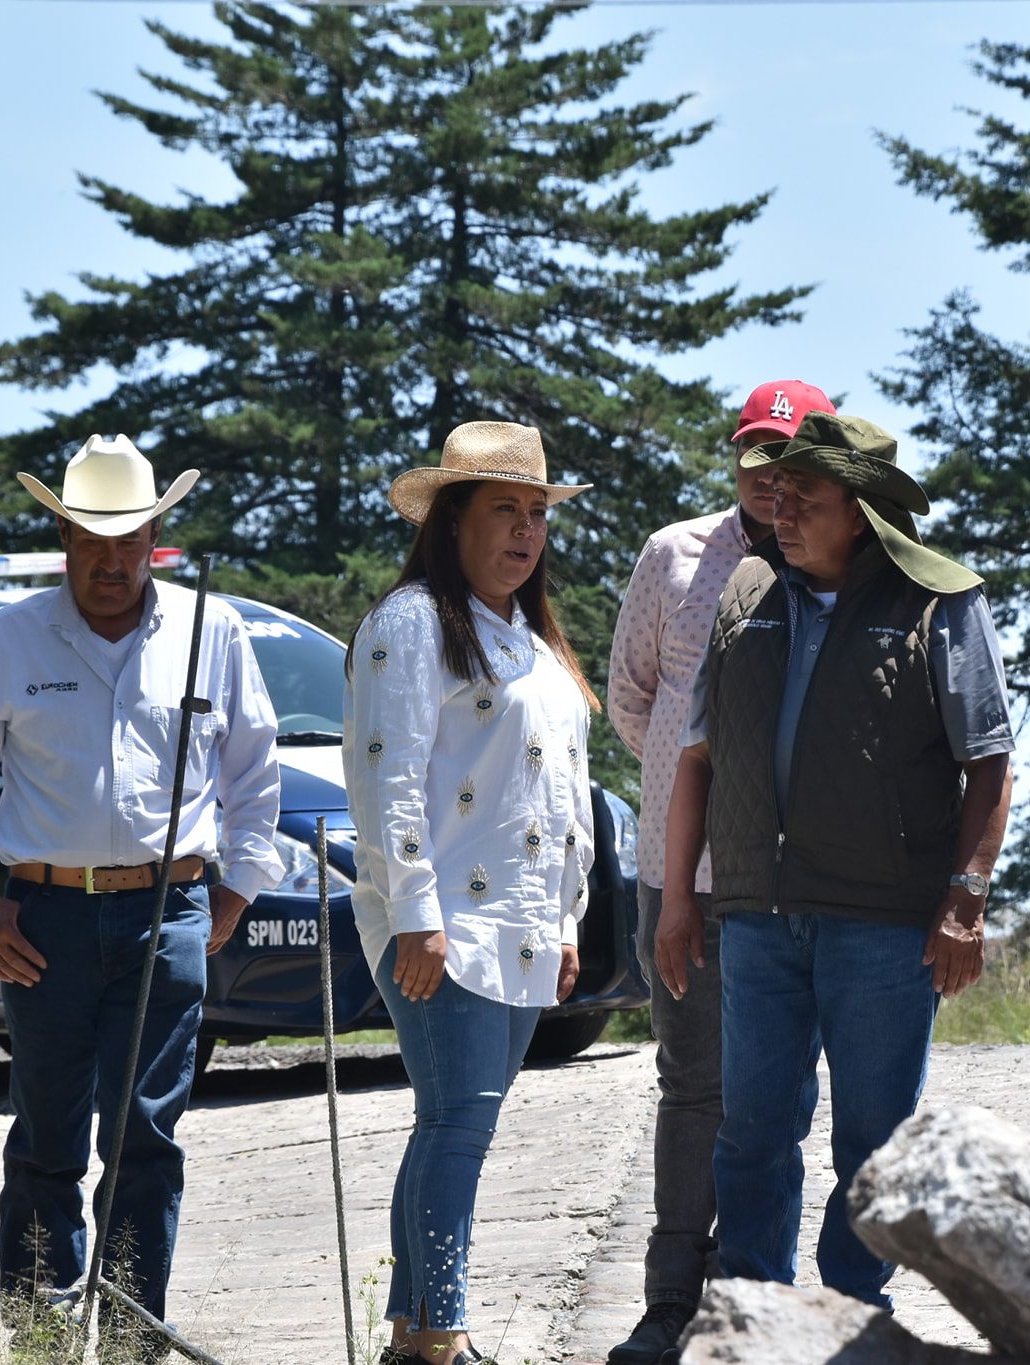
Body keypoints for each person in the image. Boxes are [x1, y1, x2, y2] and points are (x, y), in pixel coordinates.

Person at [0, 435, 284, 1350]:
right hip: (41, 919)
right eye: (92, 535)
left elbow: (254, 777)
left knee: (147, 1140)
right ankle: (42, 1344)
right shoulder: (6, 640)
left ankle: (129, 1339)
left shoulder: (215, 633)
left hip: (169, 913)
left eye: (129, 537)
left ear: (158, 533)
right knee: (48, 1136)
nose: (111, 557)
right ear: (62, 532)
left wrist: (233, 893)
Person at [654, 411, 1013, 1307]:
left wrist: (965, 899)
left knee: (873, 1137)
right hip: (755, 916)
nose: (782, 510)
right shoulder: (744, 592)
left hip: (883, 925)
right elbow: (697, 756)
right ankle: (754, 1314)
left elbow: (991, 761)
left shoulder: (941, 602)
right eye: (778, 492)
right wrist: (676, 898)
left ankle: (855, 1314)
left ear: (861, 512)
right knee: (753, 1133)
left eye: (806, 497)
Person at [345, 421, 598, 1365]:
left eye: (537, 514)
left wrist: (568, 917)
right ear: (453, 518)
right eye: (505, 509)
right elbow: (385, 774)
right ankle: (443, 1338)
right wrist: (413, 910)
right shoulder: (411, 621)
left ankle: (414, 1337)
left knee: (453, 1121)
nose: (527, 531)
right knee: (458, 1121)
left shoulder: (528, 635)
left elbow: (562, 791)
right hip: (444, 923)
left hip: (524, 925)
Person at [603, 379, 834, 1363]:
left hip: (791, 878)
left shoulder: (836, 564)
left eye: (786, 456)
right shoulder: (673, 555)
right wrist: (674, 801)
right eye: (752, 452)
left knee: (777, 1095)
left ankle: (751, 1306)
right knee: (690, 1084)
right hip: (678, 873)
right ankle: (667, 1307)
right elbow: (631, 694)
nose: (766, 474)